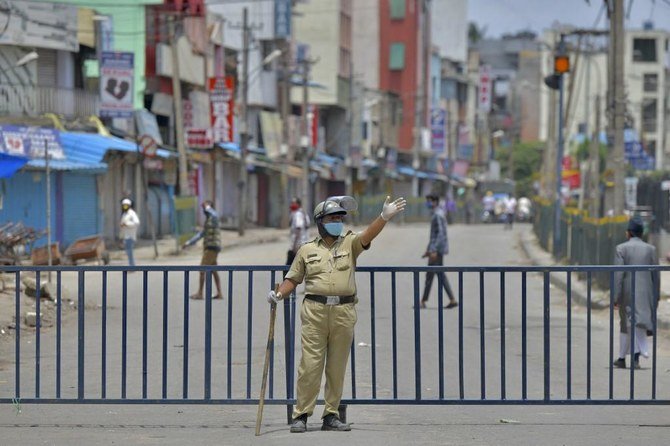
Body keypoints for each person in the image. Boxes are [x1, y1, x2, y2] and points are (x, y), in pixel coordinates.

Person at [267, 195, 406, 433]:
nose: (337, 223)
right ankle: (301, 415)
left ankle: (331, 415)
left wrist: (383, 217)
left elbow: (368, 235)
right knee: (310, 366)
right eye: (332, 219)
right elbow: (293, 278)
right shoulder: (307, 250)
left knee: (337, 366)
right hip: (315, 312)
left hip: (343, 311)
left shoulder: (349, 243)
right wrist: (278, 294)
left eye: (340, 219)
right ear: (320, 222)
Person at [613, 217, 659, 369]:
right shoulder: (651, 249)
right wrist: (656, 296)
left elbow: (618, 275)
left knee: (627, 324)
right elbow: (656, 275)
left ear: (628, 233)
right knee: (639, 323)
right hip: (646, 292)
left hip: (627, 292)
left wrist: (615, 297)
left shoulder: (621, 248)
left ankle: (627, 359)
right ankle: (629, 358)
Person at [420, 194, 458, 309]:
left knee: (435, 274)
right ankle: (424, 300)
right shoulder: (437, 214)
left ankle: (424, 301)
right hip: (435, 250)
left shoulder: (437, 215)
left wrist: (434, 250)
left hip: (437, 251)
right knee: (433, 274)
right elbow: (434, 236)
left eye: (429, 201)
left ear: (435, 202)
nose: (428, 203)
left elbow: (440, 234)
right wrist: (428, 250)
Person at [182, 200, 223, 300]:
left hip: (211, 247)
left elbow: (214, 214)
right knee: (214, 270)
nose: (203, 209)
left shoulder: (213, 217)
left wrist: (208, 207)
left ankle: (200, 293)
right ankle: (219, 293)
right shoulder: (208, 221)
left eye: (205, 206)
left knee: (202, 269)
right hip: (211, 247)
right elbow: (201, 234)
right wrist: (188, 242)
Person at [286, 197, 310, 268]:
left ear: (298, 204)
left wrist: (294, 246)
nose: (292, 205)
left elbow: (298, 229)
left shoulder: (298, 214)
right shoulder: (303, 213)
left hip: (298, 245)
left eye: (294, 203)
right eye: (291, 203)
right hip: (303, 244)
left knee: (288, 267)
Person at [119, 198, 140, 267]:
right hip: (126, 235)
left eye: (126, 205)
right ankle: (131, 265)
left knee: (129, 252)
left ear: (129, 206)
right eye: (123, 205)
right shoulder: (124, 214)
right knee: (128, 252)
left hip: (131, 236)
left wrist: (127, 224)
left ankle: (132, 266)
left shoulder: (132, 213)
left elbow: (136, 222)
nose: (124, 207)